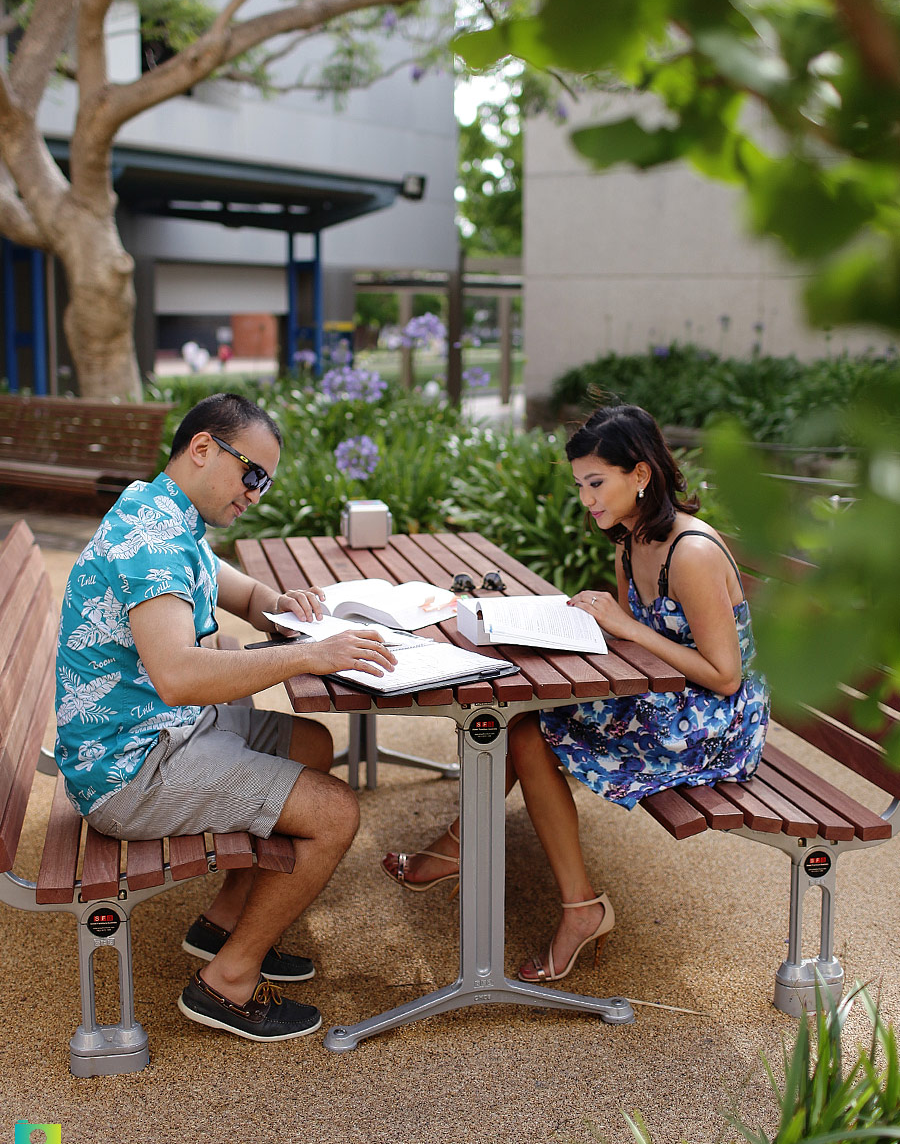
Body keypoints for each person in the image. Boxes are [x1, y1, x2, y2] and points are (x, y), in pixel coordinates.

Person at [382, 402, 769, 983]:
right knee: (518, 720)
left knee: (526, 729)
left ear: (640, 475)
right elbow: (635, 642)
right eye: (580, 485)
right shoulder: (628, 540)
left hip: (713, 722)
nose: (587, 499)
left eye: (596, 483)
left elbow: (724, 675)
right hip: (667, 695)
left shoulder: (690, 553)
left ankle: (571, 904)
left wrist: (622, 625)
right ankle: (489, 860)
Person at [56, 392, 397, 1042]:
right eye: (253, 475)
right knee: (335, 812)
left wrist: (281, 607)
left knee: (310, 744)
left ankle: (222, 925)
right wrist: (308, 655)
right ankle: (227, 983)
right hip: (132, 771)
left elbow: (230, 586)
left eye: (266, 481)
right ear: (204, 448)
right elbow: (180, 674)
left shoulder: (162, 512)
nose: (257, 493)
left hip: (156, 737)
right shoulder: (150, 539)